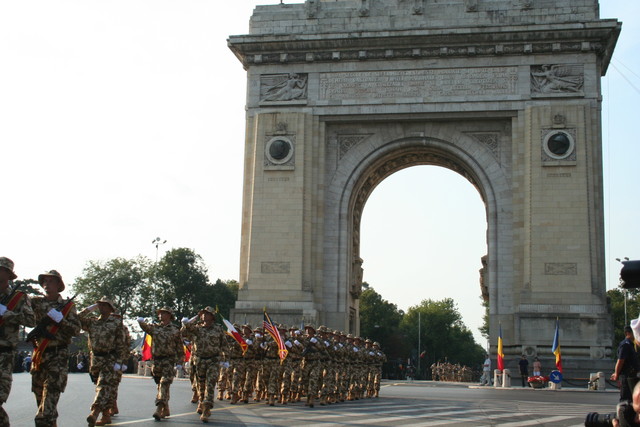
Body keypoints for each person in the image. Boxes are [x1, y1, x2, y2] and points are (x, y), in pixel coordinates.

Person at [30, 269, 81, 427]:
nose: (46, 284)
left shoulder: (67, 307)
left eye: (51, 281)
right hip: (40, 355)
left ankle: (45, 419)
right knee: (39, 394)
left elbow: (76, 330)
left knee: (50, 395)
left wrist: (61, 320)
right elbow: (24, 314)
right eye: (44, 281)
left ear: (59, 284)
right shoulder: (36, 303)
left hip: (58, 355)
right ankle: (50, 420)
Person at [79, 296, 129, 426]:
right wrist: (89, 309)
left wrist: (120, 360)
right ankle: (106, 415)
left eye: (104, 305)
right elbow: (76, 318)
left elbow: (121, 343)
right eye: (100, 305)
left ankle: (95, 412)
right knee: (102, 387)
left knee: (103, 386)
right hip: (95, 359)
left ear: (110, 308)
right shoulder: (92, 322)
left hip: (109, 358)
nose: (101, 307)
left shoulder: (116, 323)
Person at [0, 257, 36, 426]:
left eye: (1, 269)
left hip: (4, 353)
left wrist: (8, 315)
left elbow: (30, 320)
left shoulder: (18, 297)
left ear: (8, 274)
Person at [180, 306, 228, 423]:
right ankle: (201, 401)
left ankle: (206, 408)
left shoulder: (218, 329)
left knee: (210, 384)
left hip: (213, 360)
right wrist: (186, 323)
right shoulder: (197, 328)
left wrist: (226, 359)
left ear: (212, 316)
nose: (204, 316)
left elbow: (224, 345)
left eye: (206, 314)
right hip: (199, 360)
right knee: (201, 385)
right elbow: (183, 333)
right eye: (202, 314)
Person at [138, 307, 183, 420]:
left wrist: (179, 362)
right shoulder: (155, 328)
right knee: (160, 384)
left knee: (164, 383)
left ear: (169, 315)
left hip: (169, 360)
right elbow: (146, 328)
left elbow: (179, 347)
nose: (160, 315)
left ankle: (159, 408)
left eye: (163, 313)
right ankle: (165, 406)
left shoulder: (175, 330)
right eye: (160, 313)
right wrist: (140, 322)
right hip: (157, 360)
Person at [611, 326, 640, 402]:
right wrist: (616, 374)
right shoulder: (625, 345)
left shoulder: (631, 344)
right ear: (628, 333)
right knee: (626, 399)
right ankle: (624, 413)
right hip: (626, 376)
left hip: (632, 376)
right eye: (634, 332)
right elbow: (620, 360)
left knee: (631, 398)